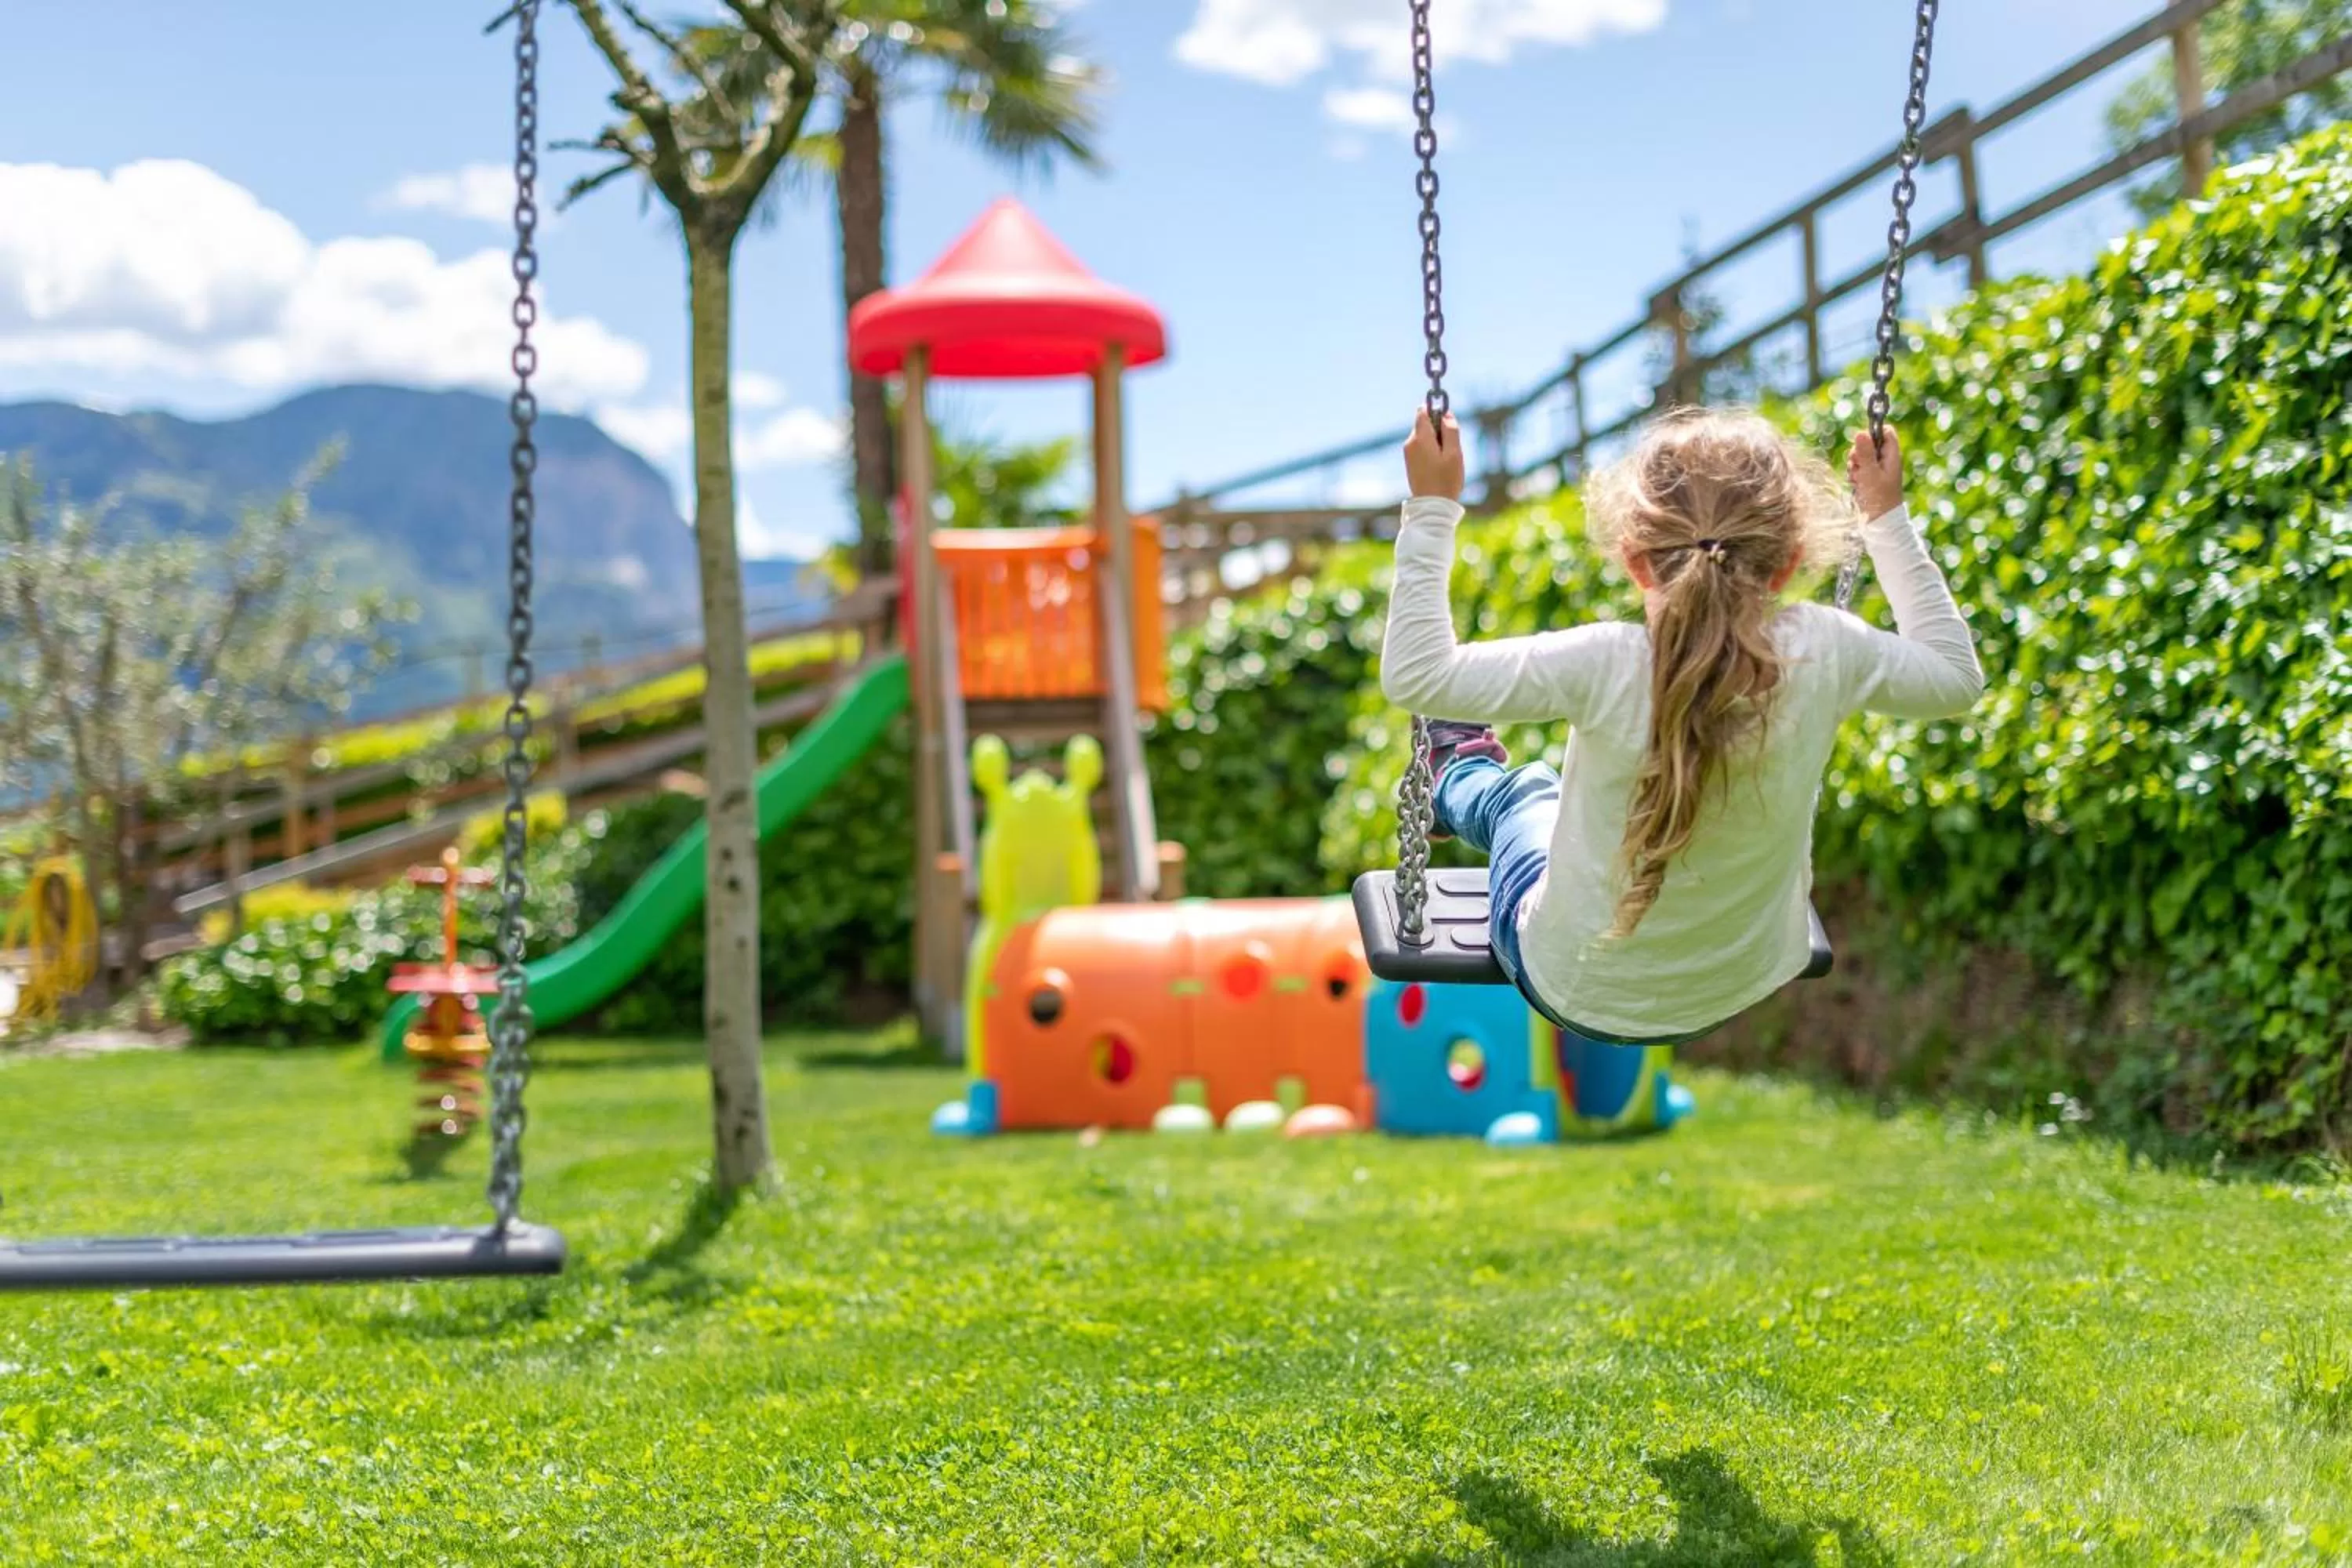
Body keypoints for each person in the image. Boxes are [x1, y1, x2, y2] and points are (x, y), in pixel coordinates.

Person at [1381, 405, 1985, 1044]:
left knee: (1528, 791)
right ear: (1789, 562)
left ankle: (1457, 772)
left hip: (1569, 982)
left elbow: (1417, 676)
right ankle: (1462, 773)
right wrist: (1886, 518)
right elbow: (1956, 676)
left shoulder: (1605, 663)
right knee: (1548, 807)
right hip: (1742, 981)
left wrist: (1433, 504)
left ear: (1635, 560)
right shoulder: (1823, 649)